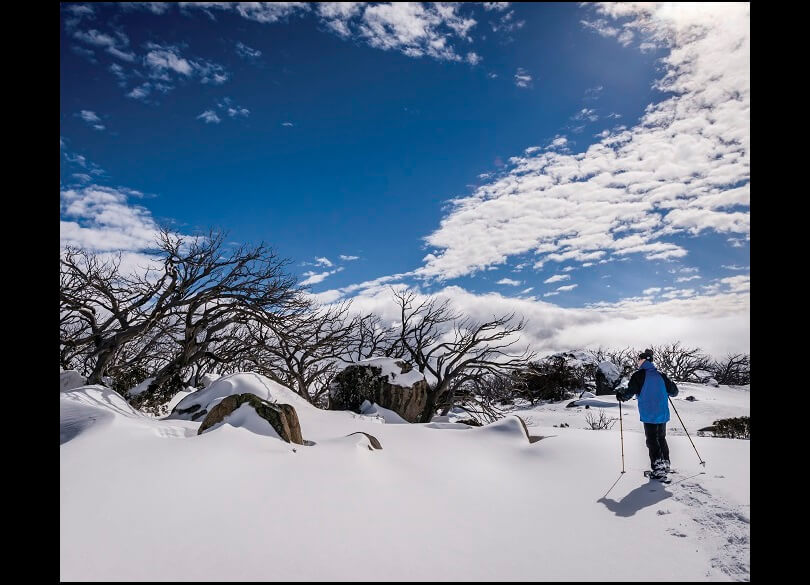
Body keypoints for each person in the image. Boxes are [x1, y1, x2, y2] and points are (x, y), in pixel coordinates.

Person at [616, 349, 679, 479]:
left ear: (645, 360)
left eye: (640, 359)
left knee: (652, 439)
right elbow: (674, 392)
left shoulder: (639, 375)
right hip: (662, 413)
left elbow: (630, 392)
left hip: (650, 413)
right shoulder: (661, 375)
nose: (638, 362)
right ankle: (665, 463)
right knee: (661, 438)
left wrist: (621, 396)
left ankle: (658, 467)